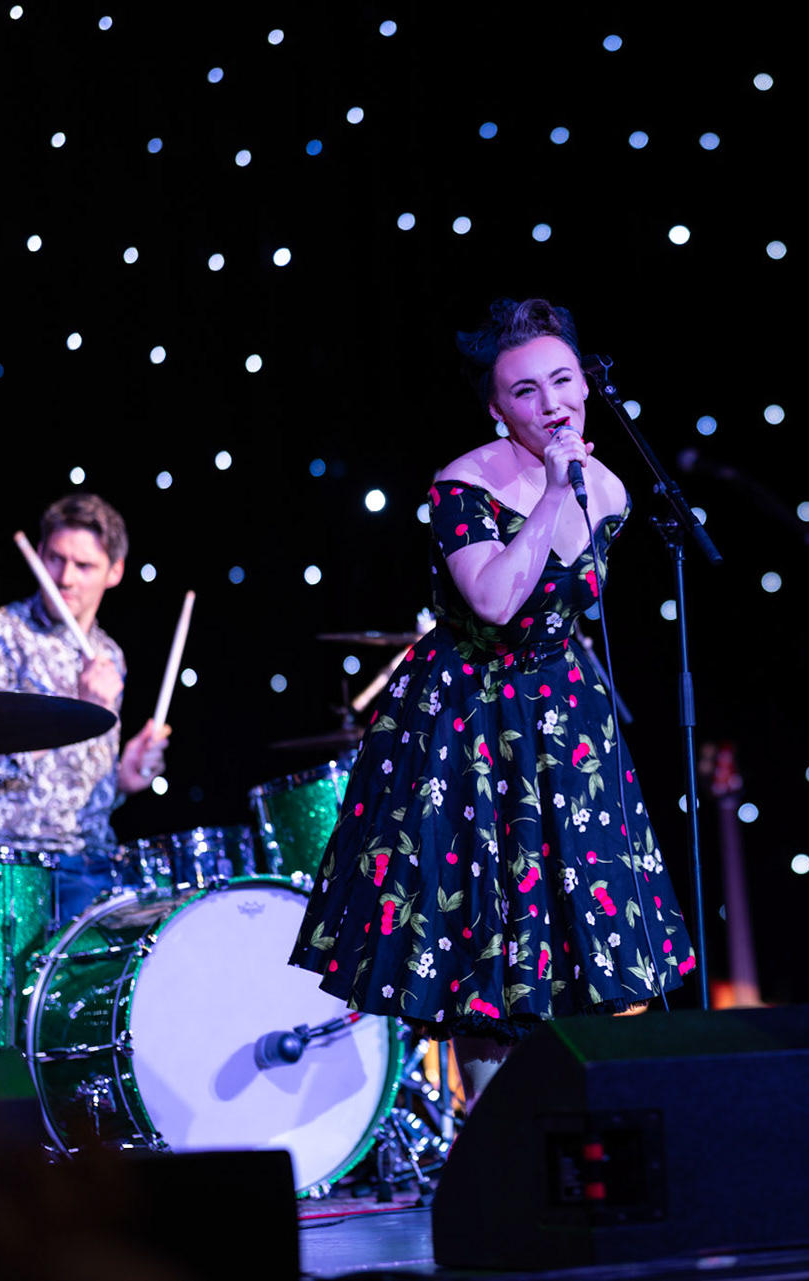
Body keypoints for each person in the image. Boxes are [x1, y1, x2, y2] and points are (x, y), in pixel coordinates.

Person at [290, 297, 696, 1102]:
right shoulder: (462, 482)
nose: (551, 405)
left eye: (563, 381)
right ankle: (490, 1156)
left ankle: (597, 1134)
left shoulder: (611, 491)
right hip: (470, 723)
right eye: (525, 391)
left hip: (565, 726)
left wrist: (576, 488)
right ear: (497, 407)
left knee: (600, 937)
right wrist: (552, 492)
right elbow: (497, 600)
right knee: (486, 955)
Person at [0, 494, 169, 923]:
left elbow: (76, 784)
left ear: (115, 572)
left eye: (84, 566)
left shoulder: (110, 655)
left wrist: (123, 776)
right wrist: (76, 714)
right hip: (11, 864)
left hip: (93, 862)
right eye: (55, 559)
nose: (65, 577)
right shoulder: (0, 635)